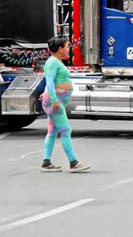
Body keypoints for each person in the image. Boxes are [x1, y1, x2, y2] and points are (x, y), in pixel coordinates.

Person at [41, 36, 89, 173]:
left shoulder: (56, 62)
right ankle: (73, 162)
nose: (69, 49)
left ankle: (46, 162)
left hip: (54, 100)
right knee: (66, 130)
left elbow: (53, 81)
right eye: (67, 47)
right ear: (60, 49)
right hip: (54, 102)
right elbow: (49, 82)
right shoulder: (52, 63)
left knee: (52, 131)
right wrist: (53, 100)